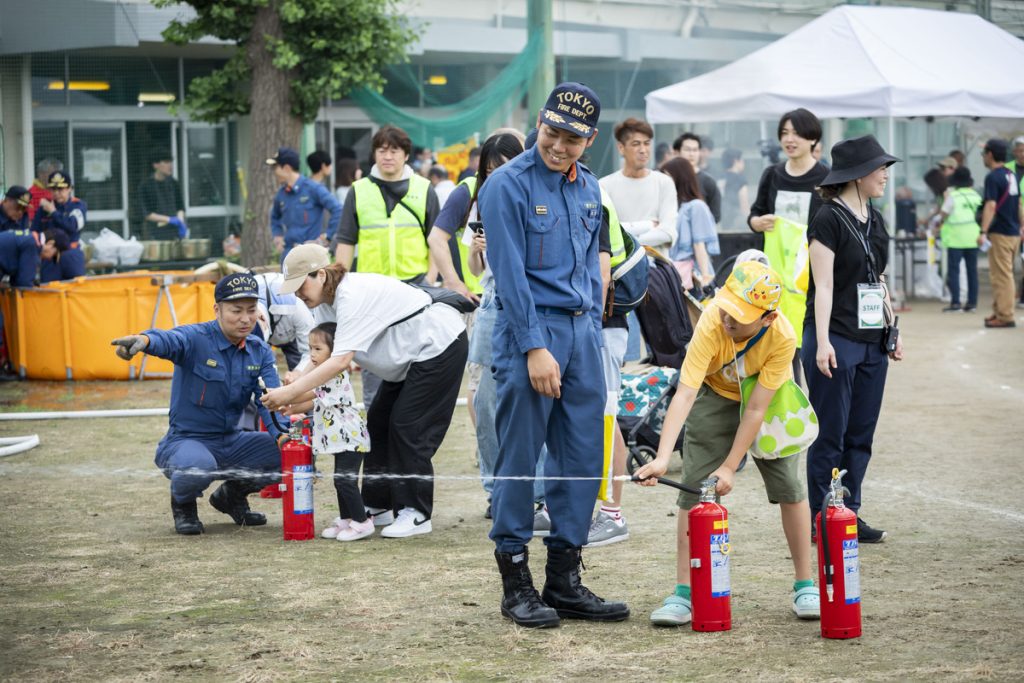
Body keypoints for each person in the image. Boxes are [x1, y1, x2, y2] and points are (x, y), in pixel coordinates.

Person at [479, 81, 629, 628]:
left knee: (583, 458)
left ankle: (564, 581)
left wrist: (588, 329)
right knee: (519, 459)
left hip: (582, 334)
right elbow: (510, 275)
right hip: (531, 332)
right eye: (552, 132)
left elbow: (593, 267)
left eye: (572, 137)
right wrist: (535, 347)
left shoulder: (589, 188)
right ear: (538, 122)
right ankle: (515, 581)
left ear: (589, 141)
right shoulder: (506, 184)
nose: (559, 145)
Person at [635, 260, 820, 626]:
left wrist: (730, 465)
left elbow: (755, 410)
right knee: (693, 492)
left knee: (790, 488)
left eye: (740, 316)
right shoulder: (712, 319)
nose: (728, 320)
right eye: (728, 309)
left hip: (766, 399)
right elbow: (685, 394)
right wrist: (660, 458)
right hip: (715, 393)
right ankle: (684, 593)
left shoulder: (782, 334)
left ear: (767, 318)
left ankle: (805, 584)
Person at [262, 244, 468, 539]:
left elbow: (340, 360)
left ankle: (417, 513)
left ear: (320, 275)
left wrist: (292, 392)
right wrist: (295, 378)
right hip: (408, 359)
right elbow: (321, 349)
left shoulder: (350, 295)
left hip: (439, 345)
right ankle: (377, 505)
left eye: (300, 285)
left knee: (408, 426)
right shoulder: (321, 301)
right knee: (379, 424)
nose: (297, 294)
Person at [110, 273, 287, 536]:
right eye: (236, 310)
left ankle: (231, 496)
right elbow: (170, 340)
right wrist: (145, 341)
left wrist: (282, 435)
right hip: (186, 442)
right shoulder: (196, 338)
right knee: (198, 467)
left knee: (294, 454)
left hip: (232, 441)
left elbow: (269, 399)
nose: (245, 318)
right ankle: (183, 505)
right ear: (217, 309)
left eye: (251, 310)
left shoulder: (259, 350)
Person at [804, 134, 904, 545]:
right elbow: (822, 286)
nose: (884, 174)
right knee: (832, 432)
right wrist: (823, 341)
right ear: (858, 174)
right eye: (879, 168)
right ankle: (821, 517)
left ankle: (849, 513)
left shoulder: (875, 218)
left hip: (871, 340)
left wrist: (892, 326)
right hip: (836, 337)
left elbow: (876, 278)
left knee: (861, 434)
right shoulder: (827, 218)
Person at [426, 131, 526, 519]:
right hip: (490, 302)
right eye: (489, 168)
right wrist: (470, 258)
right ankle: (495, 488)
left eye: (503, 166)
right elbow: (474, 268)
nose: (496, 174)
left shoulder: (534, 192)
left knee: (525, 399)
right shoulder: (477, 197)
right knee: (485, 397)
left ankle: (529, 491)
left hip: (526, 304)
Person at [329, 125, 441, 408]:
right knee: (373, 364)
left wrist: (430, 278)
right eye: (381, 150)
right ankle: (378, 435)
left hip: (415, 287)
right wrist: (337, 285)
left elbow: (437, 240)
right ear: (374, 154)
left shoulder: (425, 189)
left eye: (394, 150)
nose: (387, 156)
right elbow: (345, 241)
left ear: (405, 155)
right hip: (371, 292)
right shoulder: (358, 191)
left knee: (417, 361)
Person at [747, 108, 830, 385]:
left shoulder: (826, 179)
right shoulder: (772, 175)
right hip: (774, 279)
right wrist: (757, 222)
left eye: (796, 133)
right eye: (784, 133)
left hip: (812, 280)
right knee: (777, 350)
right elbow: (755, 213)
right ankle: (786, 416)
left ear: (813, 138)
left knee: (809, 347)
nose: (789, 139)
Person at [283, 322, 374, 542]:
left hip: (350, 437)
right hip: (340, 438)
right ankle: (346, 519)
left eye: (318, 349)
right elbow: (310, 403)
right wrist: (288, 408)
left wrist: (283, 397)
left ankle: (362, 522)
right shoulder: (323, 376)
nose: (312, 354)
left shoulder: (332, 376)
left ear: (334, 352)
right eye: (310, 348)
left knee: (345, 480)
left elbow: (307, 395)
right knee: (340, 479)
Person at [600, 118, 678, 255]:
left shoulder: (664, 183)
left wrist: (626, 236)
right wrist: (648, 226)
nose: (643, 150)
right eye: (636, 144)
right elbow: (607, 233)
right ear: (621, 148)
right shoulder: (604, 186)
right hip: (620, 269)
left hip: (657, 267)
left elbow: (667, 233)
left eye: (647, 143)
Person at [268, 146, 342, 260]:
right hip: (288, 254)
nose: (274, 172)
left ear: (287, 168)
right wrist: (278, 236)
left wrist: (328, 236)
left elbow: (338, 210)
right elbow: (274, 216)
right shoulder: (281, 194)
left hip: (310, 255)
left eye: (276, 167)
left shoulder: (313, 188)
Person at [978, 138, 1022, 328]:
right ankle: (999, 310)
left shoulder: (993, 177)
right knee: (1004, 274)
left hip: (1000, 233)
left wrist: (983, 231)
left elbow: (991, 205)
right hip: (1013, 232)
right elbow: (1019, 204)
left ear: (990, 154)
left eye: (983, 153)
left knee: (1002, 276)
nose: (982, 157)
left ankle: (1005, 315)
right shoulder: (1011, 174)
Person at [660, 157, 719, 289]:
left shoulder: (696, 206)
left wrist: (705, 277)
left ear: (680, 177)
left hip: (694, 277)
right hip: (677, 274)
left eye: (668, 177)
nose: (664, 182)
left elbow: (699, 244)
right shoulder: (675, 206)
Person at [936, 167, 982, 313]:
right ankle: (972, 303)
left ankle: (956, 303)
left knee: (954, 271)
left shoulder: (953, 196)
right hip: (973, 238)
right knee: (972, 271)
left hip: (955, 239)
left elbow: (943, 214)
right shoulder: (976, 196)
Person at [31, 171, 86, 280]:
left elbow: (73, 226)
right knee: (50, 292)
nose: (56, 193)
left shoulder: (77, 205)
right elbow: (34, 232)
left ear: (70, 189)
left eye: (61, 189)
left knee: (74, 292)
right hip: (50, 256)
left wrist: (53, 212)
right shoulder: (44, 208)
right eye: (53, 189)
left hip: (71, 254)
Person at [138, 150, 188, 240]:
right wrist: (169, 220)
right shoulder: (145, 186)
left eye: (171, 162)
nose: (170, 166)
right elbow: (147, 214)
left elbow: (180, 207)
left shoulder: (174, 183)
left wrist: (180, 221)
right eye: (166, 162)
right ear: (155, 165)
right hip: (155, 234)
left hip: (175, 233)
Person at [673, 133, 721, 223]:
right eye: (687, 150)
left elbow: (716, 216)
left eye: (695, 150)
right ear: (677, 152)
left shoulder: (708, 182)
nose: (691, 154)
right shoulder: (668, 180)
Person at [719, 148, 749, 232]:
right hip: (736, 223)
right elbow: (744, 206)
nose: (744, 163)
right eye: (742, 160)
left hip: (721, 223)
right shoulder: (740, 180)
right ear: (735, 161)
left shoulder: (719, 178)